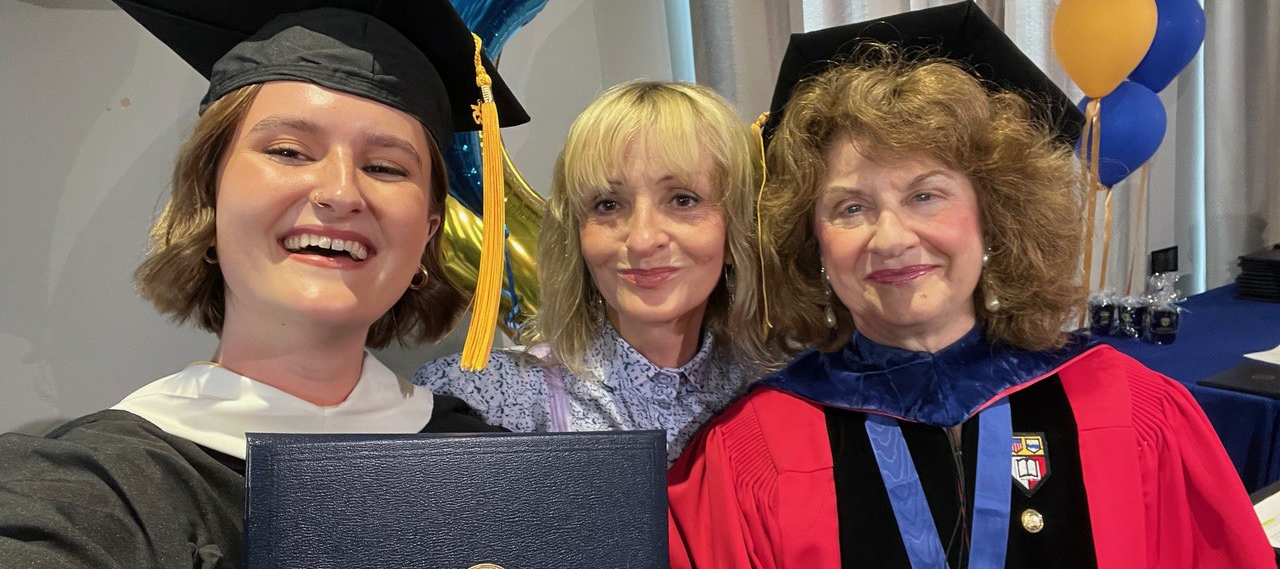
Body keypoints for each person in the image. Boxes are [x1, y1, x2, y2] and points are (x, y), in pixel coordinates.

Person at [667, 4, 1273, 568]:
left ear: (993, 215)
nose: (892, 238)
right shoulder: (751, 452)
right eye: (850, 208)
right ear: (813, 239)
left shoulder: (1133, 411)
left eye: (925, 195)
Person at [0, 0, 529, 566]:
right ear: (207, 196)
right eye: (288, 152)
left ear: (426, 235)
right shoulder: (100, 489)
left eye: (386, 167)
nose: (341, 193)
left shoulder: (490, 464)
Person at [415, 80, 775, 462]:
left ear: (736, 227)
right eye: (607, 205)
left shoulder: (776, 392)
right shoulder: (489, 400)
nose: (642, 238)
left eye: (683, 200)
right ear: (575, 235)